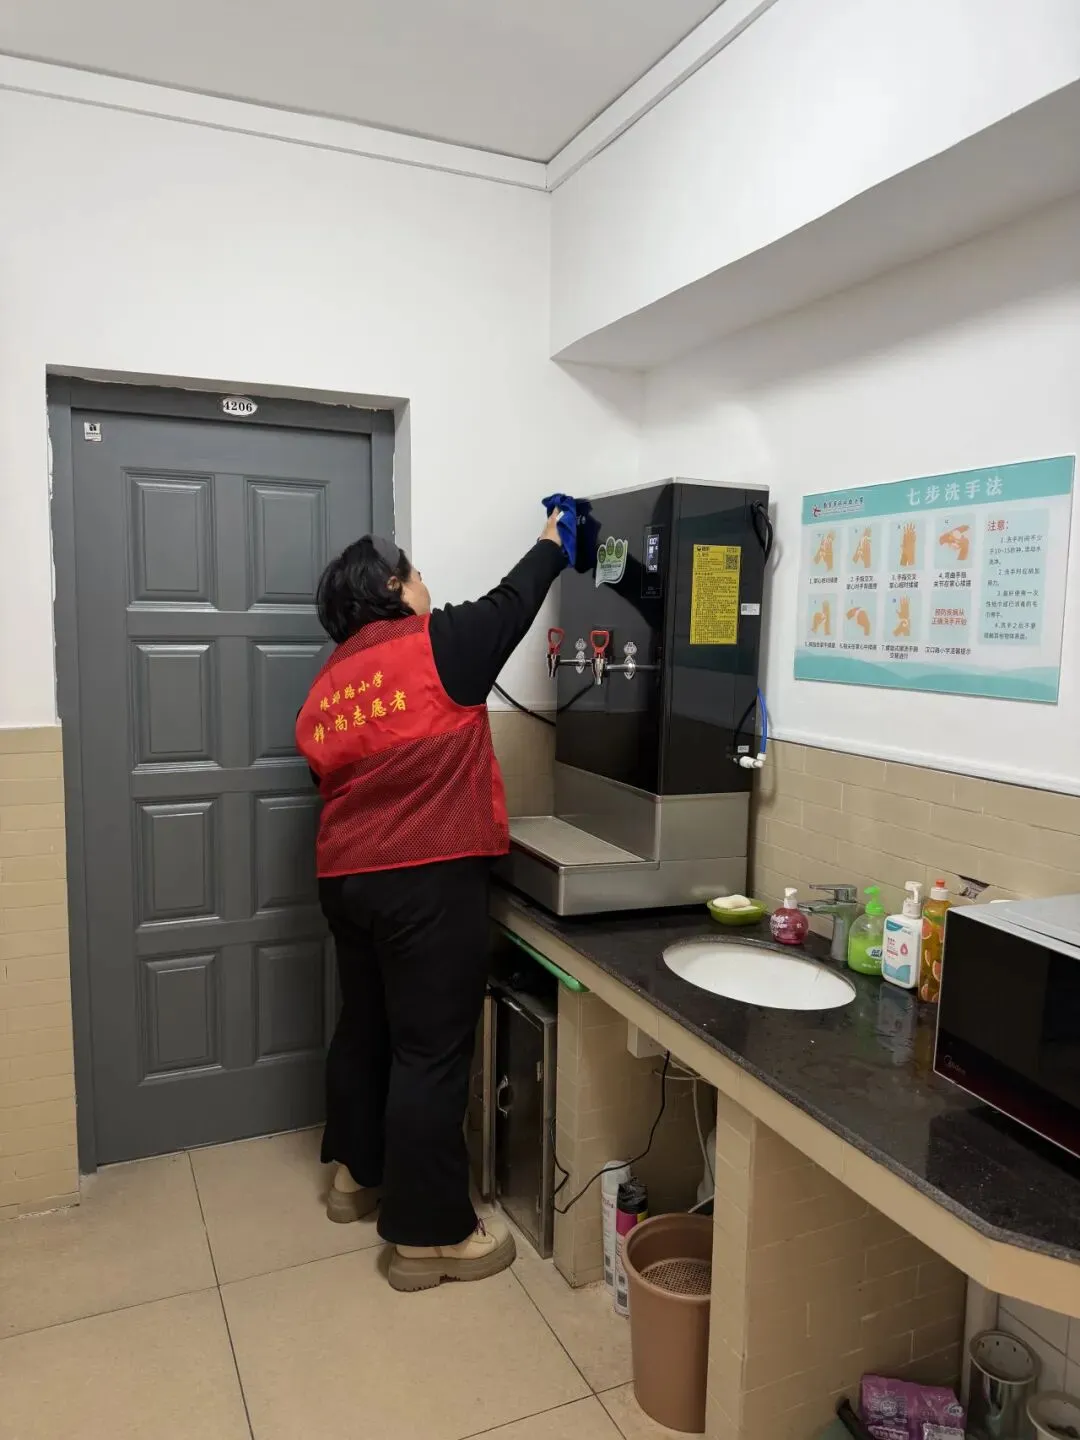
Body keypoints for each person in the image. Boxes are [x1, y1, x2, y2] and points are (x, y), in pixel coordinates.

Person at [295, 509, 567, 1292]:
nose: (425, 584)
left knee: (366, 1028)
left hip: (345, 883)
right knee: (431, 1054)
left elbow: (328, 779)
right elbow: (512, 603)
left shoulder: (326, 687)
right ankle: (430, 1238)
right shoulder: (435, 645)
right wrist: (552, 543)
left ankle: (355, 1177)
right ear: (392, 588)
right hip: (426, 879)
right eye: (414, 574)